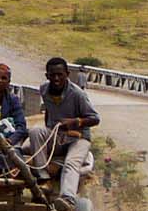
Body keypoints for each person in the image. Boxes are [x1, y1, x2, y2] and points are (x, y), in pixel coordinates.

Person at [25, 56, 101, 198]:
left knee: (71, 163)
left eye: (60, 74)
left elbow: (95, 119)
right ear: (47, 75)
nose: (56, 78)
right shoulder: (44, 90)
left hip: (78, 138)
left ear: (67, 74)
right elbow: (48, 110)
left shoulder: (78, 94)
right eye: (52, 75)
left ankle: (67, 197)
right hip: (56, 135)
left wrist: (75, 122)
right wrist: (49, 129)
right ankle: (44, 179)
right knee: (35, 131)